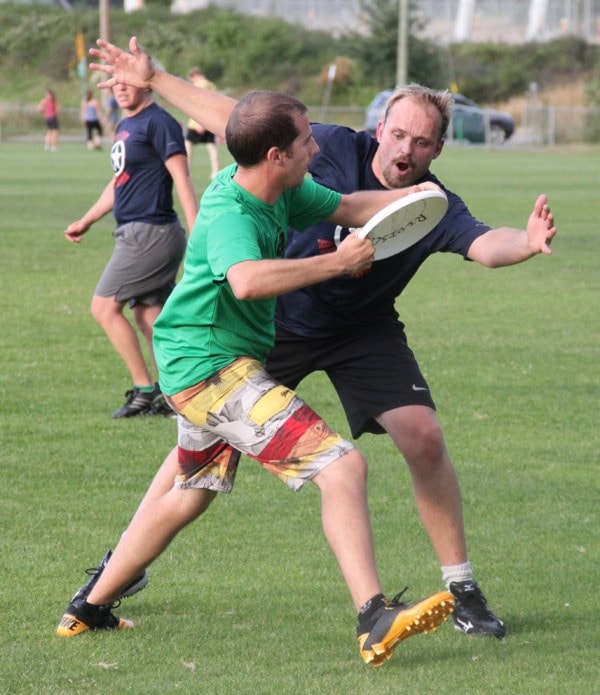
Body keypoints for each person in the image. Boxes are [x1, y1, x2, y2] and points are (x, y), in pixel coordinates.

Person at [81, 37, 557, 638]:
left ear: (438, 148)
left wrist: (528, 242)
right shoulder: (323, 145)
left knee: (425, 436)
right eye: (399, 134)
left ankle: (461, 586)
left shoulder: (431, 204)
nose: (406, 149)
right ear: (381, 128)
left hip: (362, 329)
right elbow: (239, 123)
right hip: (277, 321)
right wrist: (159, 79)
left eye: (422, 141)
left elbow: (487, 245)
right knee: (194, 458)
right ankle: (115, 568)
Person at [56, 85, 455, 667]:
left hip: (207, 364)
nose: (317, 147)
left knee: (190, 493)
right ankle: (374, 617)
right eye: (305, 140)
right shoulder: (230, 212)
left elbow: (347, 207)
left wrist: (417, 198)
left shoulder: (284, 191)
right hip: (210, 372)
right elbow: (245, 280)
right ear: (276, 156)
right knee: (342, 466)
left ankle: (88, 607)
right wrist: (334, 264)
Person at [63, 82, 198, 418]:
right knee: (150, 315)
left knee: (104, 308)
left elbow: (181, 177)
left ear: (145, 82)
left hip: (152, 231)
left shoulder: (159, 122)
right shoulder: (126, 125)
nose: (121, 89)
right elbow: (120, 181)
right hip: (134, 231)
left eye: (128, 82)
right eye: (115, 83)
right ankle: (180, 393)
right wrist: (87, 219)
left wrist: (199, 232)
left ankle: (145, 389)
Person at [184, 66, 220, 179]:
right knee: (211, 147)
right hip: (209, 121)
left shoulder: (200, 85)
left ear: (195, 75)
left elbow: (199, 104)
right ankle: (215, 171)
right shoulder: (211, 85)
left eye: (192, 79)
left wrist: (199, 122)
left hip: (197, 121)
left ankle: (187, 170)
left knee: (188, 145)